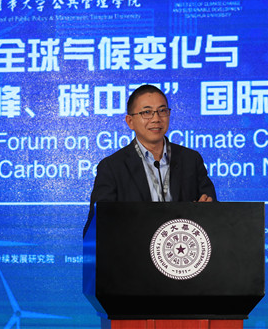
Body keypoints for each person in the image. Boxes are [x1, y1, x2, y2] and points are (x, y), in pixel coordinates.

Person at [84, 84, 215, 235]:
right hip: (134, 247)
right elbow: (96, 228)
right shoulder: (112, 167)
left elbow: (215, 212)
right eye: (147, 112)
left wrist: (207, 210)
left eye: (162, 111)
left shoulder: (191, 160)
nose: (156, 119)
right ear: (130, 121)